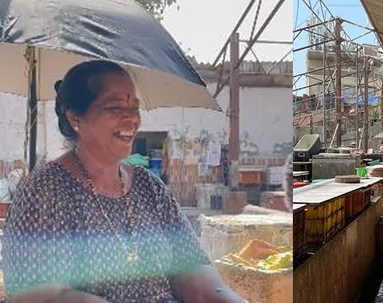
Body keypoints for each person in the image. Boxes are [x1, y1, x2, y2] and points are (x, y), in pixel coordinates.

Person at [2, 60, 244, 303]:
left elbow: (190, 268)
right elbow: (36, 295)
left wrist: (228, 300)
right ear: (76, 119)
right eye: (116, 108)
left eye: (135, 108)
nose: (131, 119)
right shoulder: (44, 192)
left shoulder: (149, 187)